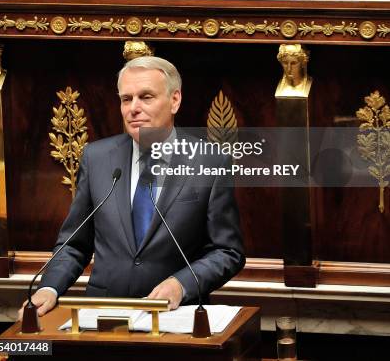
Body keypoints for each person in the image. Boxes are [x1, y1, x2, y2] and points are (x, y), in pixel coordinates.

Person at [19, 56, 244, 318]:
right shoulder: (97, 158)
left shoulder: (209, 160)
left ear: (175, 100)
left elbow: (227, 251)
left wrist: (181, 284)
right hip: (102, 316)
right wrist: (49, 287)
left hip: (175, 316)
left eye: (146, 97)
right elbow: (74, 244)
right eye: (127, 99)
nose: (133, 108)